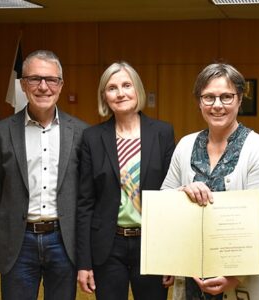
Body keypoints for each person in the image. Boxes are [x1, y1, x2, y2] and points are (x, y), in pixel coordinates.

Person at [161, 63, 259, 300]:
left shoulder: (258, 148)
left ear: (239, 99)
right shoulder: (185, 146)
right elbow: (165, 200)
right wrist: (184, 190)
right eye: (209, 97)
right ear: (199, 102)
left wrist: (233, 278)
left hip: (242, 277)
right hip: (192, 274)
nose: (217, 105)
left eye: (226, 97)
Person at [76, 61, 175, 300]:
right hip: (108, 247)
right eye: (112, 88)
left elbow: (172, 198)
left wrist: (172, 257)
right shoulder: (91, 138)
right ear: (104, 96)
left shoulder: (162, 133)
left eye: (126, 85)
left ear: (137, 90)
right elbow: (84, 203)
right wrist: (83, 263)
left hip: (151, 245)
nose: (120, 93)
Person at [0, 50, 88, 299]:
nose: (43, 86)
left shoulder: (82, 133)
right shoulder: (2, 132)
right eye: (35, 79)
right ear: (23, 84)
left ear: (61, 85)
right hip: (18, 243)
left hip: (64, 241)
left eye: (51, 79)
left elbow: (86, 198)